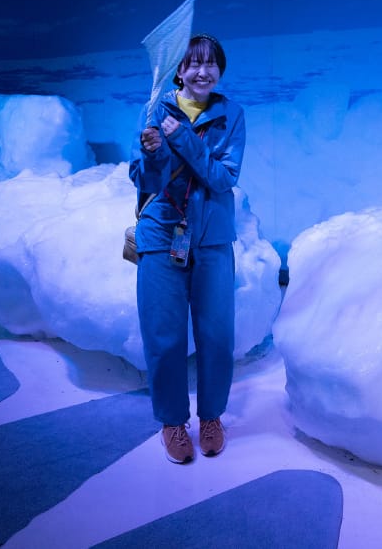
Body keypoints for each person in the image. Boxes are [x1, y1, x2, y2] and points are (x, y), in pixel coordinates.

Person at [130, 34, 245, 464]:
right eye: (193, 64)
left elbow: (223, 178)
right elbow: (144, 181)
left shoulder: (232, 114)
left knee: (216, 334)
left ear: (220, 70)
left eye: (211, 63)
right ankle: (172, 422)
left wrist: (183, 139)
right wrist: (153, 155)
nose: (202, 71)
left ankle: (211, 417)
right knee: (164, 334)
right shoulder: (154, 111)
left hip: (212, 237)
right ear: (178, 71)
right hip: (163, 234)